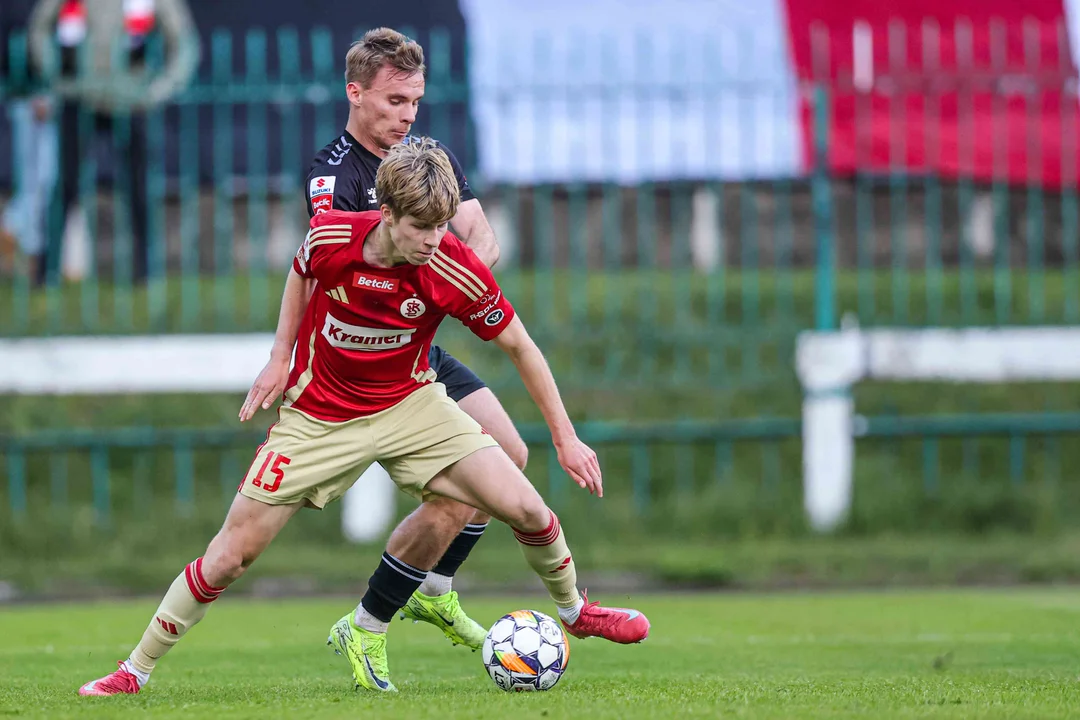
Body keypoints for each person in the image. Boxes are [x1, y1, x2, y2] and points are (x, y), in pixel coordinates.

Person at [77, 138, 650, 697]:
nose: (433, 240)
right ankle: (134, 671)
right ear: (386, 212)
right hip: (319, 416)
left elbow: (521, 346)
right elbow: (301, 271)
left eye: (441, 226)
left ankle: (573, 611)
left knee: (527, 507)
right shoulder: (332, 238)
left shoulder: (452, 266)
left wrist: (566, 438)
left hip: (411, 404)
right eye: (420, 227)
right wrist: (280, 357)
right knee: (230, 556)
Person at [248, 27, 517, 655]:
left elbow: (483, 241)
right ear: (355, 93)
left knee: (509, 456)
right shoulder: (333, 174)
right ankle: (378, 613)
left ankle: (433, 588)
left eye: (415, 101)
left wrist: (445, 287)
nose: (408, 115)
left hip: (415, 345)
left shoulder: (429, 159)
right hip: (355, 361)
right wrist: (281, 356)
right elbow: (319, 263)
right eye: (395, 101)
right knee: (254, 534)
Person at [29, 0, 199, 285]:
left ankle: (145, 272)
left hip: (131, 99)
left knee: (140, 187)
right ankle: (47, 271)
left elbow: (183, 40)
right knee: (65, 185)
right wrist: (55, 74)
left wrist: (159, 89)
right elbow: (40, 26)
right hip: (80, 96)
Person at [0, 0, 57, 279]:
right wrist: (37, 89)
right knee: (36, 177)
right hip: (24, 96)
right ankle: (22, 240)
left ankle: (22, 238)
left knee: (44, 178)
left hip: (48, 94)